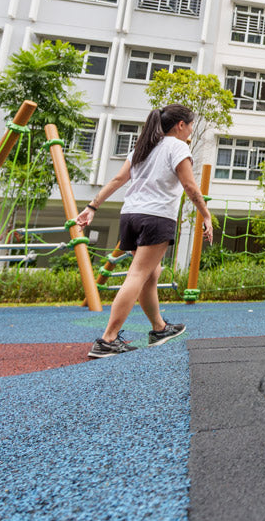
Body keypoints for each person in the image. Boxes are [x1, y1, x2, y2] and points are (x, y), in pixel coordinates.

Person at [76, 105, 213, 358]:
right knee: (138, 274)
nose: (192, 129)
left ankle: (159, 328)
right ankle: (108, 339)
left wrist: (92, 206)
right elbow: (189, 186)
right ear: (180, 125)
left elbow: (118, 180)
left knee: (151, 273)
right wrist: (206, 215)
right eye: (191, 124)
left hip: (130, 216)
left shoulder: (143, 147)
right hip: (156, 217)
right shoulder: (177, 147)